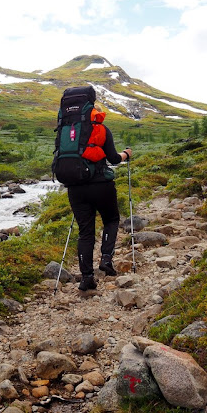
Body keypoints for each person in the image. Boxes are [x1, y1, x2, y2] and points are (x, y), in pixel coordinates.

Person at [66, 103, 133, 291]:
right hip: (101, 185)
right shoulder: (101, 129)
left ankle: (86, 278)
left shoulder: (67, 131)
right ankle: (106, 259)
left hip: (75, 188)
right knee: (111, 220)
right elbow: (113, 158)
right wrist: (126, 154)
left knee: (85, 233)